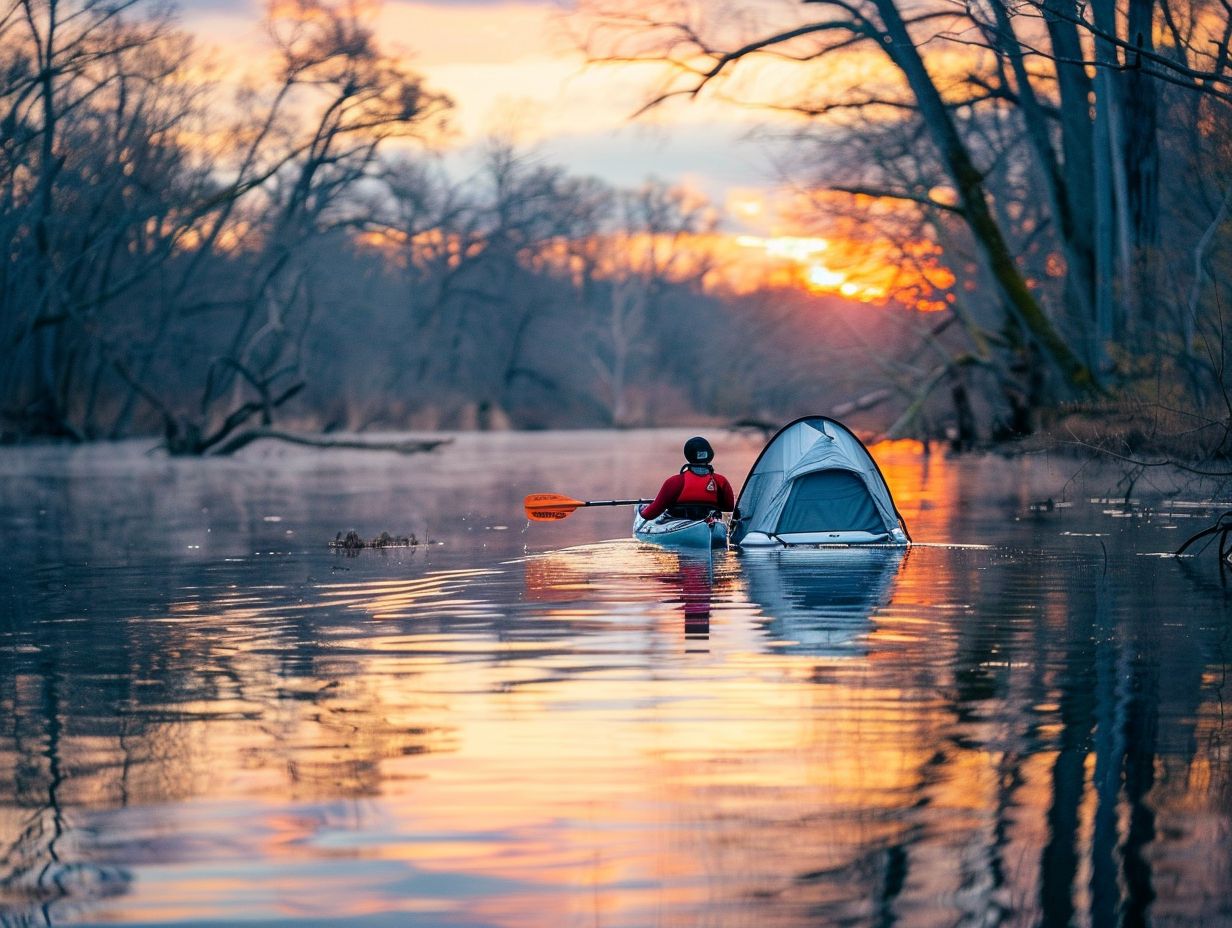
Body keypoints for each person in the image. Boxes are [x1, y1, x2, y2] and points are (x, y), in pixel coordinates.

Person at [639, 436, 735, 521]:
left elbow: (649, 514)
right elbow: (729, 508)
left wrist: (641, 509)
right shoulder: (721, 481)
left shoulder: (674, 482)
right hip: (710, 525)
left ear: (688, 455)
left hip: (679, 525)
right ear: (710, 454)